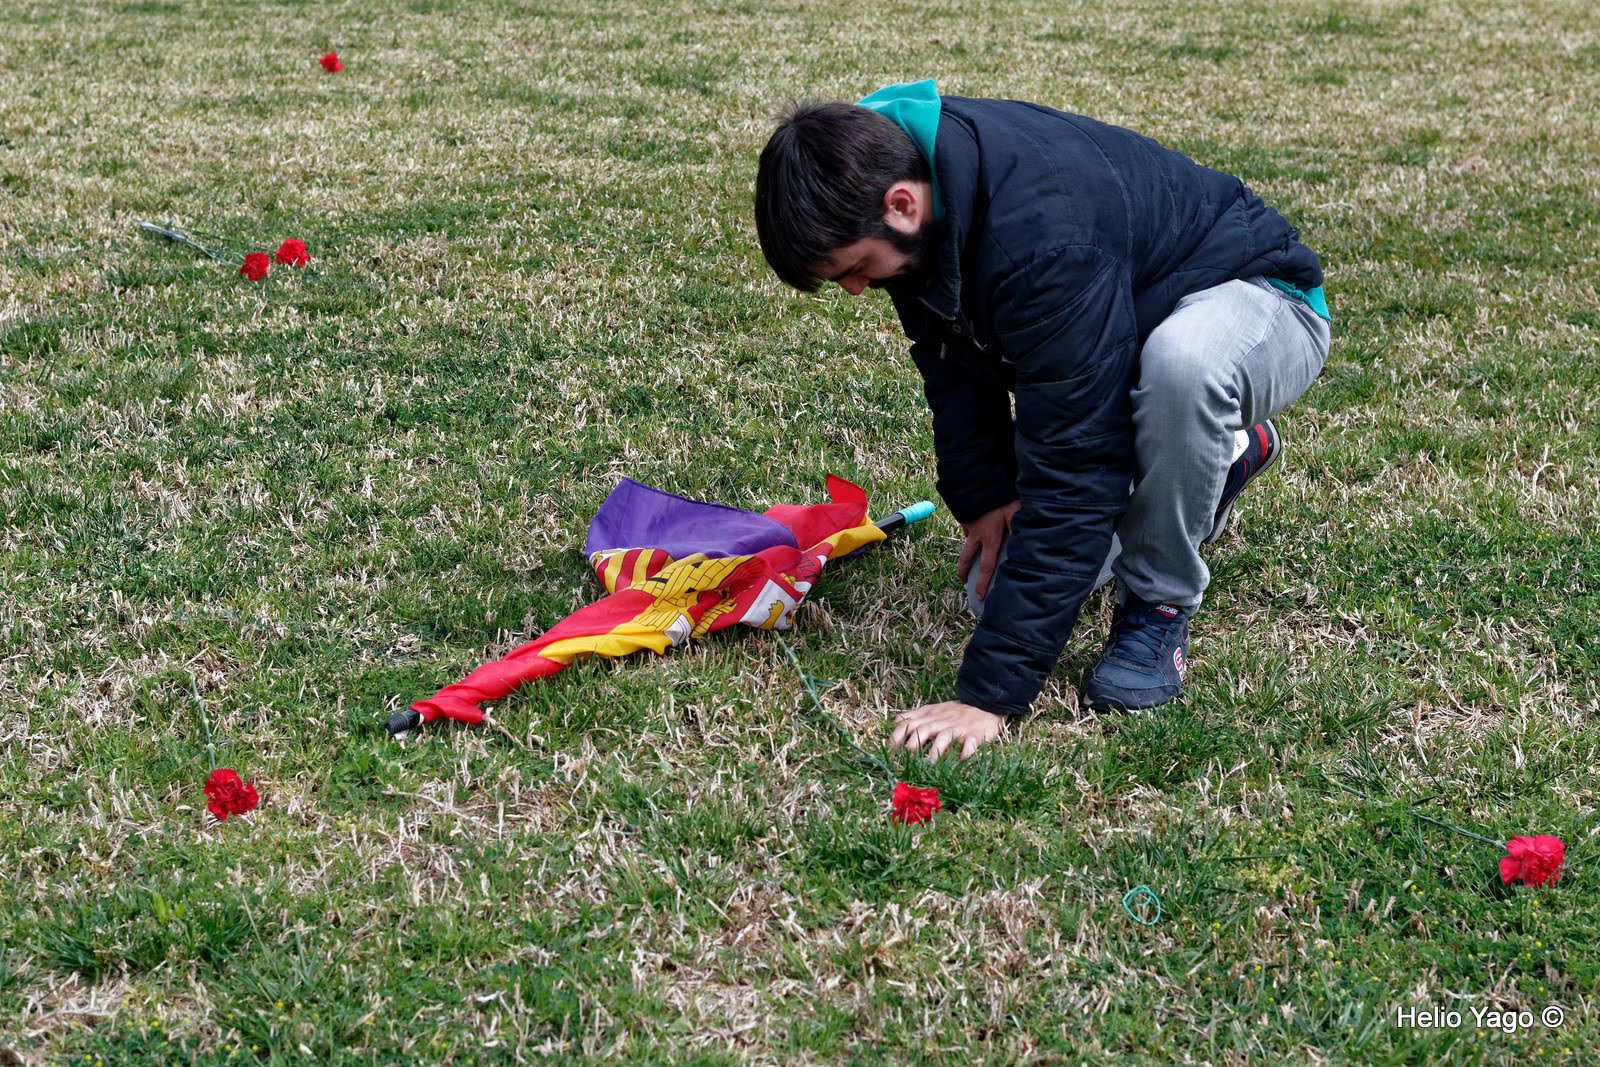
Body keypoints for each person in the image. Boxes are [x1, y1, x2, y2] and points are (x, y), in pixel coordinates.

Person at [754, 81, 1330, 760]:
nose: (855, 288)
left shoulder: (1043, 237)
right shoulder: (899, 176)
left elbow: (1076, 470)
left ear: (902, 205)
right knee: (989, 594)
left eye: (855, 268)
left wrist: (989, 695)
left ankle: (1159, 602)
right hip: (1132, 322)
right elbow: (950, 358)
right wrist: (987, 495)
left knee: (1184, 369)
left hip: (1260, 299)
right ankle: (1218, 458)